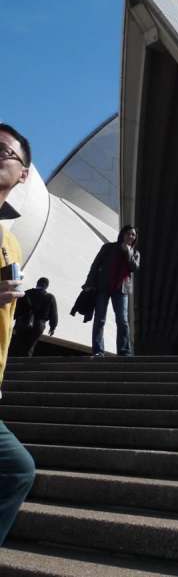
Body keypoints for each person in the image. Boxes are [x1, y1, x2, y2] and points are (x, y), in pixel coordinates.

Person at [0, 122, 36, 546]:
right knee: (15, 468)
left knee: (15, 469)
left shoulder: (12, 243)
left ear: (24, 173)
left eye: (3, 152)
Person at [85, 225, 140, 357]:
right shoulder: (108, 247)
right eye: (128, 234)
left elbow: (134, 268)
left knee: (122, 320)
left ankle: (124, 351)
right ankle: (98, 351)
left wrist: (128, 252)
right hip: (103, 287)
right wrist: (89, 282)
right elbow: (96, 264)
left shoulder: (135, 252)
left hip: (122, 289)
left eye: (133, 235)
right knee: (100, 319)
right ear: (122, 234)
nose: (131, 236)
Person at [11, 277, 58, 357]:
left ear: (37, 283)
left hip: (22, 322)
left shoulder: (26, 293)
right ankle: (23, 365)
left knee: (17, 344)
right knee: (30, 346)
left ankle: (10, 364)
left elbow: (16, 308)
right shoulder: (50, 297)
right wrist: (52, 327)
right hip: (38, 325)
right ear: (47, 286)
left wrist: (13, 319)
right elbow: (53, 314)